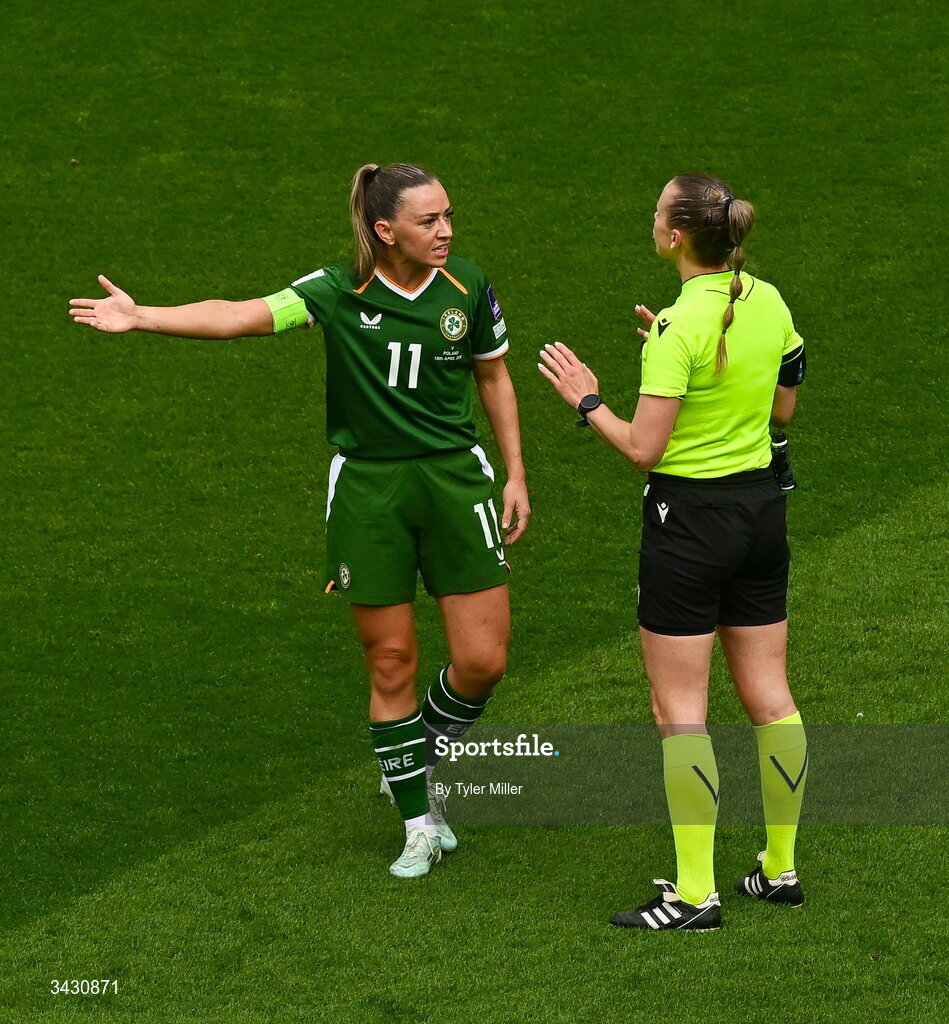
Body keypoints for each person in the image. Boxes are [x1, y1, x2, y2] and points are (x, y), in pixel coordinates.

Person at [70, 162, 530, 878]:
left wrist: (515, 473)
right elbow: (239, 314)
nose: (446, 231)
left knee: (483, 660)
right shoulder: (335, 291)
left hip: (453, 479)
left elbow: (493, 375)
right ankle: (417, 817)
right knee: (390, 660)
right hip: (369, 491)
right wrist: (144, 316)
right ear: (385, 230)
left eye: (447, 217)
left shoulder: (467, 285)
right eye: (428, 220)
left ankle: (416, 752)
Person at [538, 172, 807, 931]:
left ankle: (695, 896)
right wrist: (684, 359)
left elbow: (641, 446)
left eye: (656, 210)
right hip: (760, 517)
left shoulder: (676, 331)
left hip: (688, 526)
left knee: (679, 711)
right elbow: (780, 402)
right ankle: (777, 871)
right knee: (770, 698)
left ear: (674, 235)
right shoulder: (766, 298)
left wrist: (586, 398)